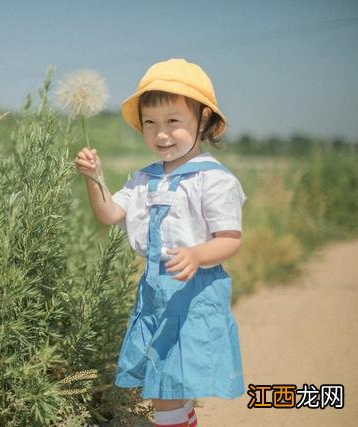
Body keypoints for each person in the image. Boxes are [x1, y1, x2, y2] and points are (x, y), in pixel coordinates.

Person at [74, 58, 247, 427]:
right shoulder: (143, 178)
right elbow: (108, 214)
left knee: (168, 388)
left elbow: (230, 239)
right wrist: (94, 178)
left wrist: (198, 254)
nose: (160, 134)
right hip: (153, 293)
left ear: (202, 120)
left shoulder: (213, 180)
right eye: (150, 123)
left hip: (192, 294)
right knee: (159, 385)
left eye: (173, 122)